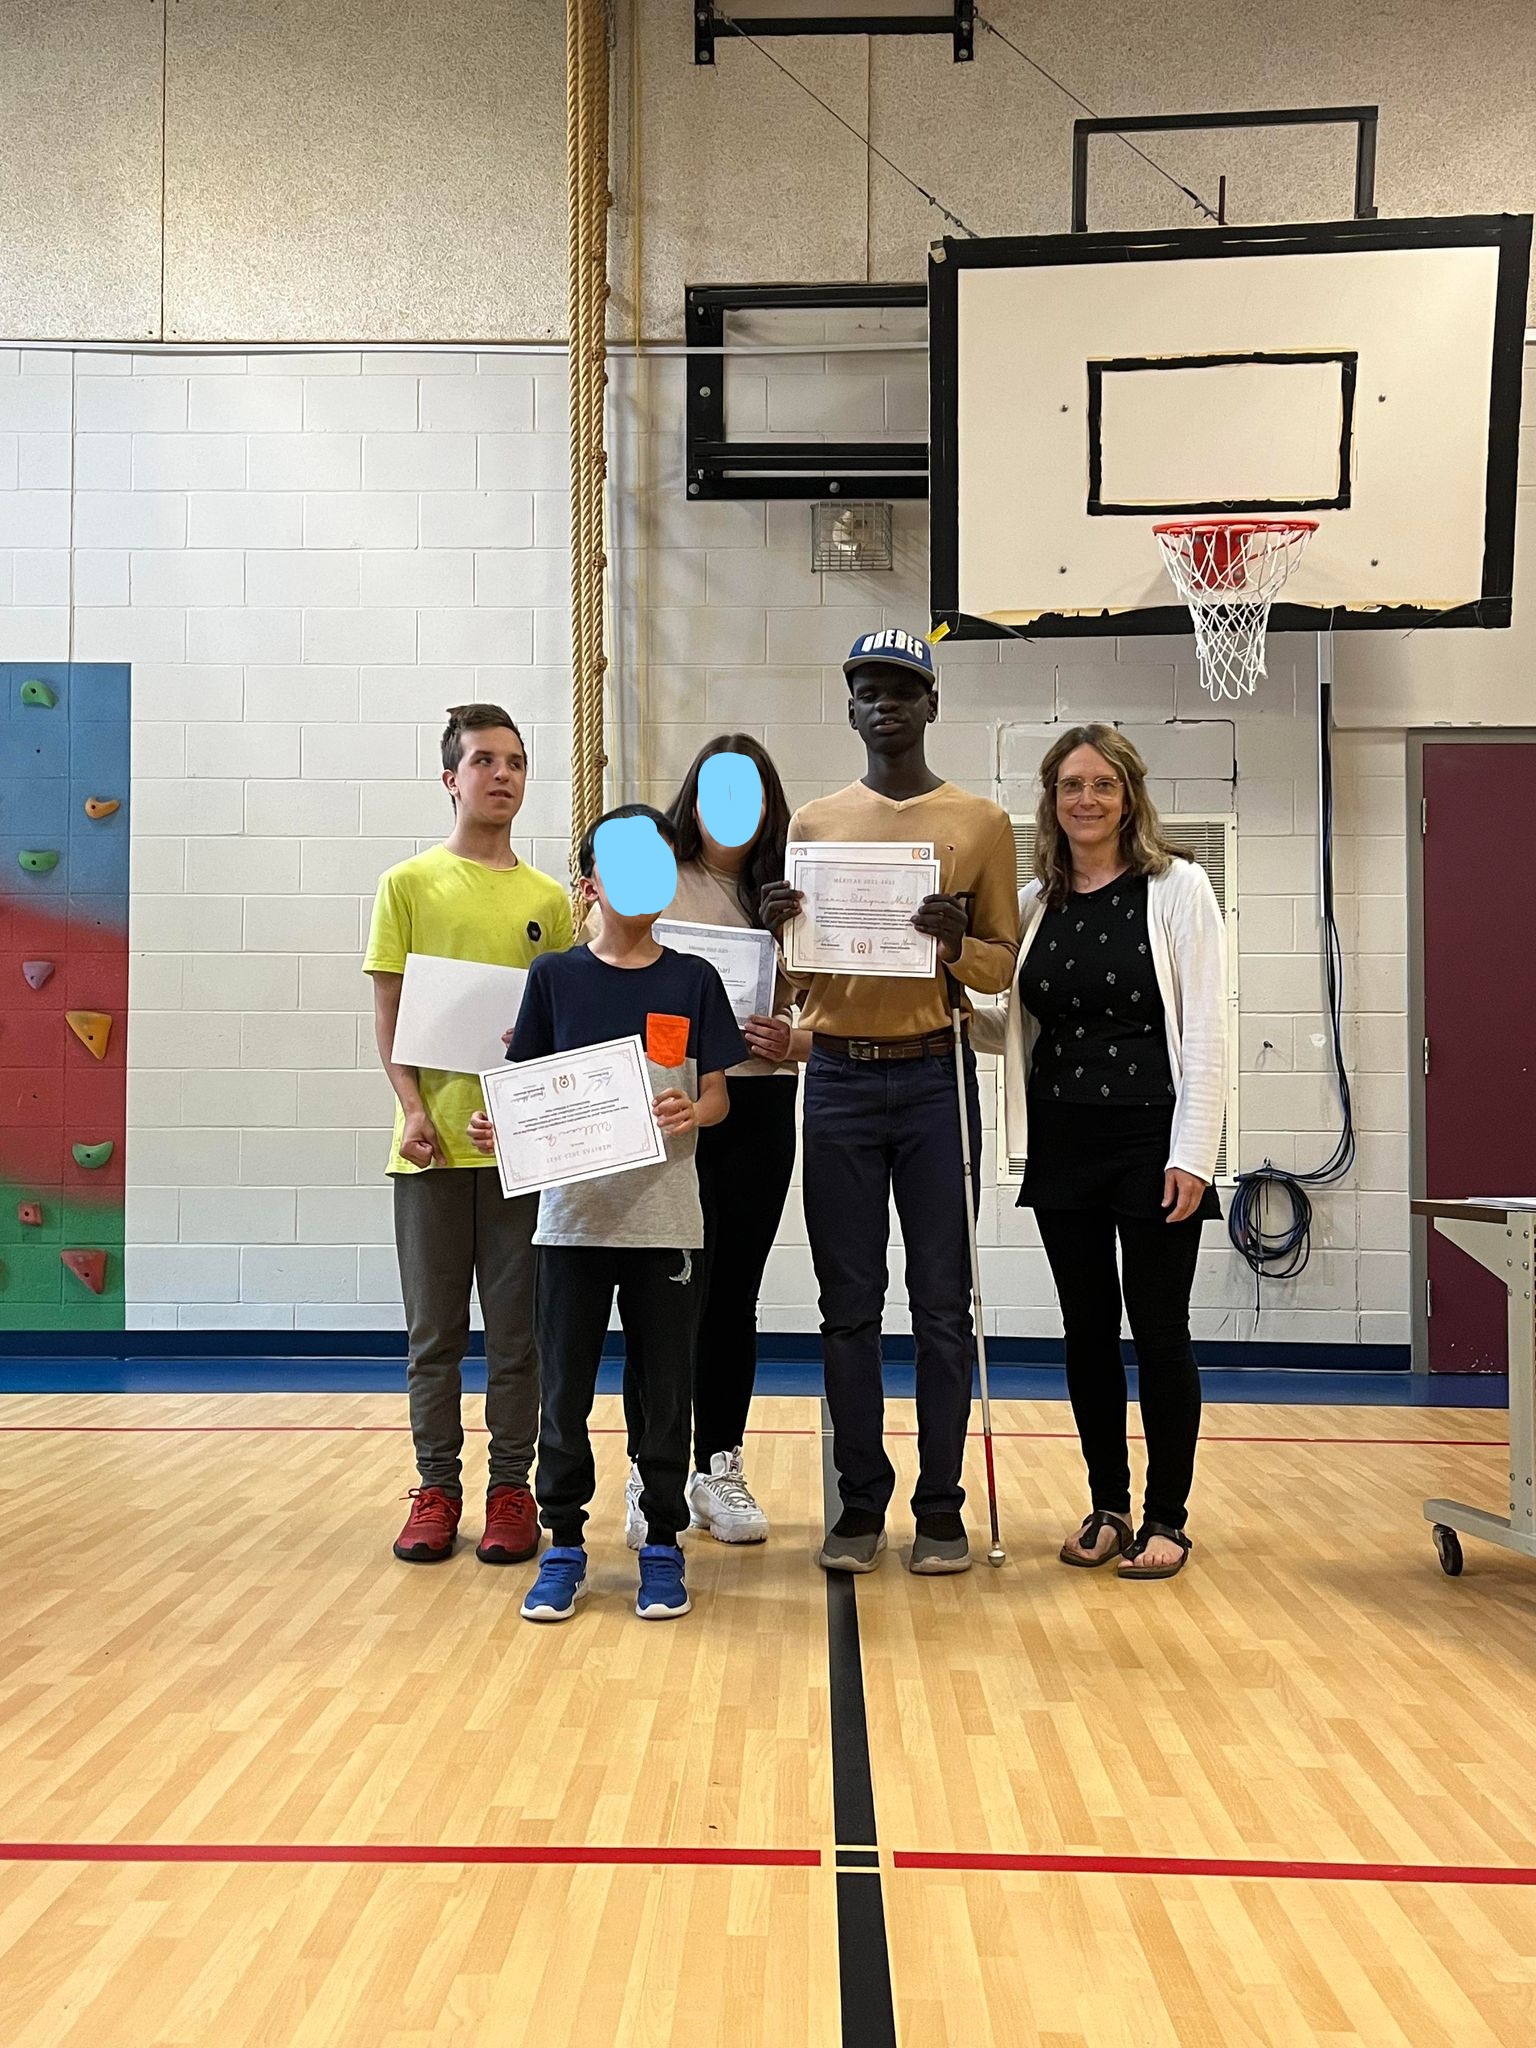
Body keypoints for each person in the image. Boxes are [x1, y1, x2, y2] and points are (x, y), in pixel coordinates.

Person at [761, 628, 1020, 1576]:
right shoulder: (815, 823)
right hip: (835, 1076)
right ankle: (860, 1502)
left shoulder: (981, 823)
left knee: (944, 1306)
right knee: (848, 1307)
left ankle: (941, 1508)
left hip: (934, 1075)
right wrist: (781, 935)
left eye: (903, 691)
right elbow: (795, 984)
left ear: (931, 705)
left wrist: (956, 945)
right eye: (869, 691)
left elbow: (1002, 964)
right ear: (850, 709)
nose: (886, 705)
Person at [470, 804, 747, 1624]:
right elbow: (524, 1093)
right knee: (564, 1393)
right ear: (589, 883)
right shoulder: (554, 978)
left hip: (667, 1223)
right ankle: (563, 1544)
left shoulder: (693, 979)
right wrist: (501, 1128)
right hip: (572, 1224)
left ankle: (662, 1542)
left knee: (666, 1393)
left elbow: (719, 1094)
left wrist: (696, 1111)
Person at [970, 724, 1226, 1581]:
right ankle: (1109, 1505)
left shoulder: (1178, 887)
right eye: (1071, 785)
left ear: (1128, 796)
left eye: (1102, 784)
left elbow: (1208, 1030)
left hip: (1153, 1139)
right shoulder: (1036, 902)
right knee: (1085, 1331)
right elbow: (1015, 1027)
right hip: (1063, 1139)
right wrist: (945, 1005)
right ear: (1051, 800)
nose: (1086, 799)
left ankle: (1167, 1518)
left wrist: (1194, 1155)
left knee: (1159, 1330)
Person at [365, 704, 573, 1567]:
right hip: (432, 1152)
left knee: (519, 1338)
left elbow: (563, 1031)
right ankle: (436, 1489)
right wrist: (413, 1109)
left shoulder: (550, 901)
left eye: (515, 761)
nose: (502, 775)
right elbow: (388, 1014)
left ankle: (511, 1491)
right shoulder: (407, 885)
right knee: (434, 1338)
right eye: (484, 760)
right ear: (451, 778)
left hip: (521, 1156)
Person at [587, 736, 805, 1547]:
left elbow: (828, 1008)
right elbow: (603, 967)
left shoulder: (788, 895)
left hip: (757, 1106)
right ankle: (650, 1473)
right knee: (659, 1297)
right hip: (667, 1109)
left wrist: (795, 1037)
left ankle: (717, 1466)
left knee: (732, 1296)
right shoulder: (657, 875)